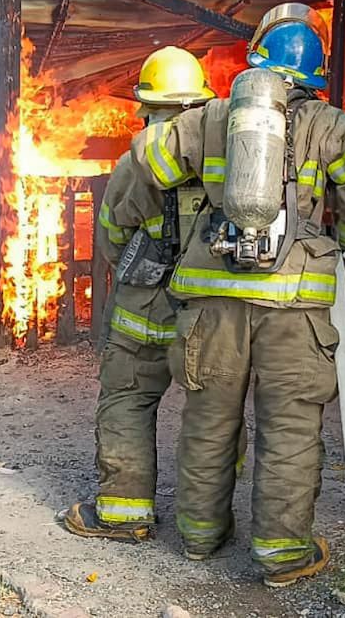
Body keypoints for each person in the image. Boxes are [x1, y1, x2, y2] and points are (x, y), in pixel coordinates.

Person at [103, 4, 345, 587]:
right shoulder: (334, 126)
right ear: (317, 72)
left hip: (211, 304)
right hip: (295, 308)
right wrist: (342, 244)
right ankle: (282, 555)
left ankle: (199, 537)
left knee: (209, 421)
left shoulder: (213, 116)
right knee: (290, 429)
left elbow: (148, 160)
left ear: (256, 56)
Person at [59, 46, 216, 543]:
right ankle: (208, 525)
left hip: (147, 309)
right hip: (212, 309)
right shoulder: (227, 160)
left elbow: (111, 238)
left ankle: (125, 514)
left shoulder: (135, 165)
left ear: (147, 108)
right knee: (213, 413)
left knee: (128, 399)